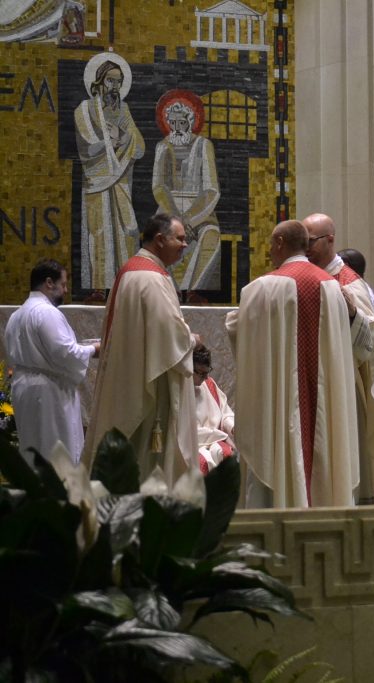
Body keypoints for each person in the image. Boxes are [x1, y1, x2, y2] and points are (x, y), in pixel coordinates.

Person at [226, 219, 360, 508]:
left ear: (279, 244)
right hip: (325, 403)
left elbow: (238, 331)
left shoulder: (261, 289)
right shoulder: (334, 288)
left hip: (280, 404)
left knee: (277, 447)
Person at [84, 213, 199, 481]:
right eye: (180, 239)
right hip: (149, 378)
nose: (185, 245)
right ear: (160, 239)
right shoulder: (151, 278)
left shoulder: (132, 270)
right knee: (147, 455)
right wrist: (193, 339)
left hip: (130, 373)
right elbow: (170, 336)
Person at [303, 212, 374, 503]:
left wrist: (351, 316)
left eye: (311, 241)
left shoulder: (349, 283)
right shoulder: (311, 277)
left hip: (347, 384)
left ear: (330, 240)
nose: (307, 248)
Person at [4, 260, 100, 464]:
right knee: (57, 451)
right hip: (49, 391)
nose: (65, 290)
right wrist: (94, 349)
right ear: (49, 282)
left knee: (33, 450)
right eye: (63, 284)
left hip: (24, 388)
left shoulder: (17, 315)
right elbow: (65, 352)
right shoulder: (46, 312)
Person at [75, 55, 145, 290]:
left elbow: (139, 146)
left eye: (119, 82)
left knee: (127, 231)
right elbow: (88, 144)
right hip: (96, 182)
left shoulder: (123, 110)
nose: (114, 87)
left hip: (121, 183)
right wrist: (113, 139)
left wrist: (119, 134)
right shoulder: (84, 110)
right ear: (99, 82)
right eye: (110, 81)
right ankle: (98, 288)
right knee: (99, 233)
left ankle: (125, 287)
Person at [152, 97, 222, 290]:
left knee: (211, 235)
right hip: (168, 210)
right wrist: (176, 218)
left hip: (202, 212)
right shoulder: (163, 146)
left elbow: (211, 189)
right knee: (159, 238)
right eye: (172, 122)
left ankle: (193, 291)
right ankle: (168, 289)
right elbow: (159, 187)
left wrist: (190, 220)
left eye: (181, 122)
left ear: (190, 122)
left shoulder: (203, 145)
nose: (177, 127)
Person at [192, 343, 235, 475]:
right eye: (201, 373)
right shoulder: (180, 389)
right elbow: (185, 431)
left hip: (214, 440)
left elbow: (224, 412)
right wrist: (221, 435)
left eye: (207, 371)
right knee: (203, 462)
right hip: (194, 444)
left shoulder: (209, 384)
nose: (206, 377)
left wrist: (233, 427)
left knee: (227, 455)